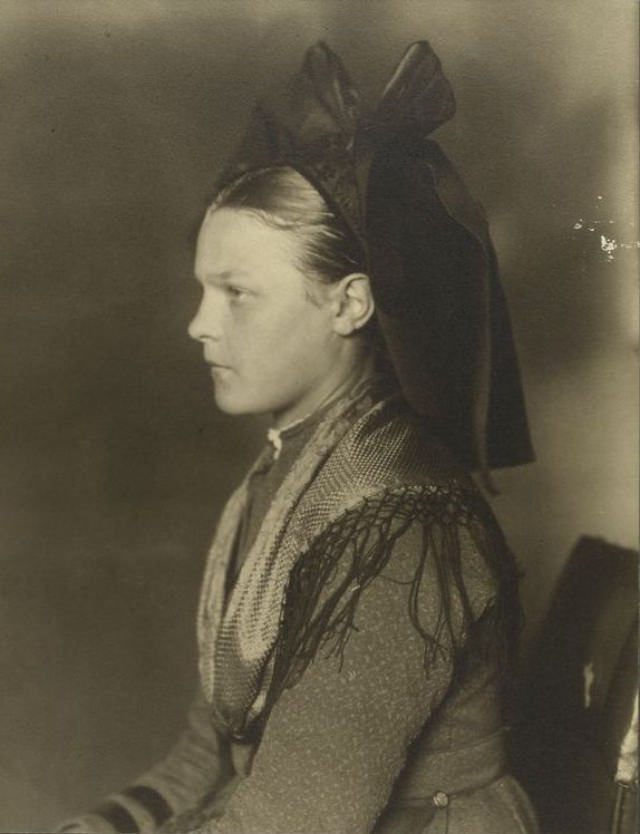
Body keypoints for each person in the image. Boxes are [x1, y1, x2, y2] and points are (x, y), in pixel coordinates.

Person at [58, 41, 538, 834]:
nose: (198, 325)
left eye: (236, 293)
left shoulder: (402, 521)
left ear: (351, 304)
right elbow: (212, 750)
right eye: (202, 290)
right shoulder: (291, 474)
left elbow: (296, 819)